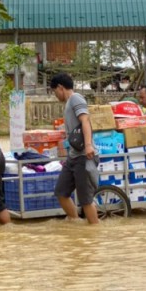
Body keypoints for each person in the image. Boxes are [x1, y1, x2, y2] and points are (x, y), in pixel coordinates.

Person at [50, 73, 100, 224]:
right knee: (61, 192)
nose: (55, 95)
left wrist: (89, 145)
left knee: (85, 199)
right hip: (73, 156)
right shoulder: (69, 103)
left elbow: (85, 121)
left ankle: (94, 229)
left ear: (60, 87)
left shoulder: (76, 99)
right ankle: (76, 222)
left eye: (54, 91)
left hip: (84, 156)